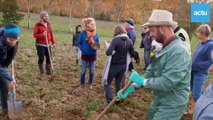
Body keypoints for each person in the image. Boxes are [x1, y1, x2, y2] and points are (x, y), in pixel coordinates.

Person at [117, 9, 191, 120]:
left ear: (162, 28)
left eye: (151, 31)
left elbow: (168, 82)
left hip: (173, 102)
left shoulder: (179, 51)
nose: (150, 35)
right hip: (160, 98)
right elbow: (151, 71)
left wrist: (143, 82)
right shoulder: (161, 48)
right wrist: (132, 87)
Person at [102, 25, 134, 108]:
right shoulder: (129, 41)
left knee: (106, 83)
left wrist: (112, 50)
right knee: (118, 83)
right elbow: (132, 53)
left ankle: (110, 102)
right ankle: (117, 101)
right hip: (123, 66)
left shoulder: (116, 40)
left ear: (116, 32)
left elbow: (108, 52)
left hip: (114, 65)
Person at [0, 24, 20, 116]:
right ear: (5, 37)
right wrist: (10, 78)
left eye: (15, 40)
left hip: (2, 64)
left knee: (5, 86)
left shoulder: (15, 40)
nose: (13, 42)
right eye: (10, 40)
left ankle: (6, 112)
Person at [191, 24, 213, 102]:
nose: (197, 34)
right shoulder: (199, 43)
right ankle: (192, 110)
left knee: (197, 95)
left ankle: (203, 110)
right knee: (193, 92)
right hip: (193, 71)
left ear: (203, 33)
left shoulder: (210, 45)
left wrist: (198, 65)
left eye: (199, 32)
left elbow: (211, 61)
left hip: (200, 73)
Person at [78, 17, 100, 89]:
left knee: (92, 71)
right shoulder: (83, 33)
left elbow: (98, 44)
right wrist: (83, 50)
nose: (94, 25)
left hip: (93, 55)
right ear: (87, 25)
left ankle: (90, 83)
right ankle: (82, 84)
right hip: (84, 55)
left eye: (94, 24)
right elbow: (79, 43)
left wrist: (96, 47)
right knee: (83, 71)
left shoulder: (96, 34)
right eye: (92, 24)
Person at [33, 11, 56, 76]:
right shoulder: (38, 25)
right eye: (46, 16)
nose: (47, 17)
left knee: (49, 58)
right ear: (42, 17)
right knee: (41, 58)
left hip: (48, 44)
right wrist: (42, 35)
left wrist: (53, 42)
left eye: (48, 16)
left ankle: (49, 72)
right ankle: (42, 72)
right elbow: (35, 35)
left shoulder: (48, 24)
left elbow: (51, 34)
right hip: (40, 45)